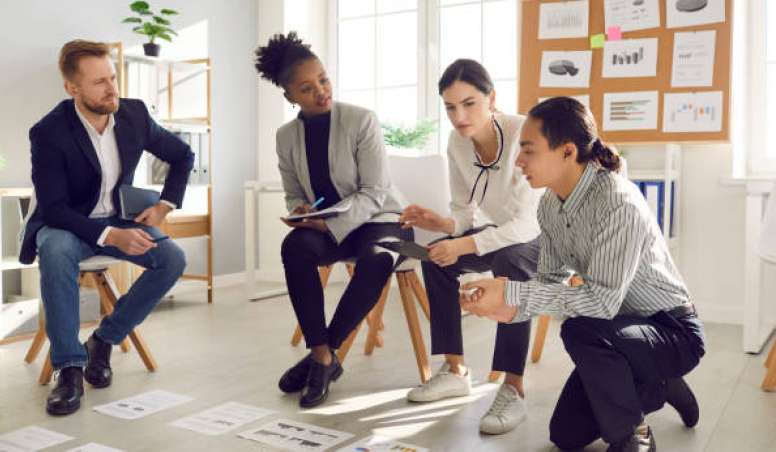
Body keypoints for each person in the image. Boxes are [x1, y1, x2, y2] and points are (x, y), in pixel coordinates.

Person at [460, 96, 705, 451]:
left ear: (567, 152)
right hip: (618, 331)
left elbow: (602, 302)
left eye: (528, 150)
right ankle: (662, 385)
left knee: (580, 328)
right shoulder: (550, 206)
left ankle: (632, 437)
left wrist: (515, 293)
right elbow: (549, 282)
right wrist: (503, 302)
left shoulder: (617, 201)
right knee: (566, 436)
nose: (518, 160)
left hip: (672, 331)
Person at [19, 40, 194, 416]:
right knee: (56, 249)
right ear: (73, 88)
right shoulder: (48, 131)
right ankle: (68, 368)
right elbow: (54, 209)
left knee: (172, 259)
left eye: (113, 77)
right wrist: (109, 236)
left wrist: (165, 206)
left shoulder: (133, 115)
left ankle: (104, 339)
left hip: (118, 216)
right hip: (65, 223)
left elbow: (182, 156)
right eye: (99, 81)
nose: (112, 88)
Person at [254, 32, 410, 408]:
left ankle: (322, 356)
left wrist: (331, 225)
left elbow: (375, 191)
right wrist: (301, 212)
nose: (321, 91)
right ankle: (322, 355)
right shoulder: (286, 136)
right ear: (290, 96)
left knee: (379, 257)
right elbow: (294, 192)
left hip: (378, 219)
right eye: (307, 88)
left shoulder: (361, 120)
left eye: (323, 79)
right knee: (295, 247)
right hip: (327, 225)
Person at [398, 59, 541, 434]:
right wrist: (442, 226)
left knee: (511, 262)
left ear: (492, 97)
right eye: (450, 106)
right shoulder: (456, 142)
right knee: (436, 259)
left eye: (469, 103)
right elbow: (464, 212)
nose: (458, 115)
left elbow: (527, 224)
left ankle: (513, 386)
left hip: (544, 238)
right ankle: (455, 368)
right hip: (499, 232)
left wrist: (464, 243)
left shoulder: (524, 131)